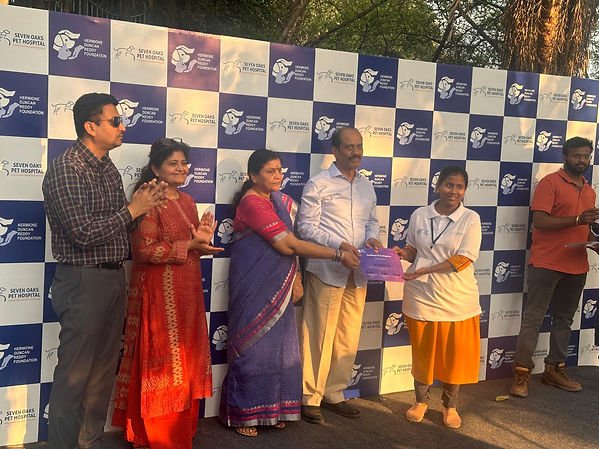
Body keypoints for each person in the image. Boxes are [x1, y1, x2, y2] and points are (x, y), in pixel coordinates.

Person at [42, 93, 166, 449]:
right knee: (74, 377)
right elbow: (81, 234)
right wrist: (132, 210)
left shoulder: (107, 167)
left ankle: (89, 442)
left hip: (113, 276)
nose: (122, 126)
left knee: (101, 375)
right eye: (115, 121)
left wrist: (142, 207)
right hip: (83, 279)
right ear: (90, 126)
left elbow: (119, 226)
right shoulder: (67, 168)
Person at [219, 149, 360, 437]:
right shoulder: (252, 203)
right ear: (253, 175)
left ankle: (270, 411)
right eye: (270, 171)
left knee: (279, 351)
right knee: (252, 348)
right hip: (255, 286)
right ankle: (241, 415)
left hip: (280, 285)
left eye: (280, 170)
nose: (278, 175)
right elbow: (288, 245)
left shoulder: (280, 201)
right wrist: (337, 254)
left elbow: (297, 241)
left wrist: (296, 276)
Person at [112, 138, 222, 449]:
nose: (181, 168)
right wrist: (189, 246)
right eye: (173, 163)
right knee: (163, 361)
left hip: (188, 292)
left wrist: (201, 243)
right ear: (155, 168)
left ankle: (180, 430)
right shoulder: (148, 200)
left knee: (185, 361)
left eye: (184, 163)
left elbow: (190, 246)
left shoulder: (187, 200)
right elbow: (143, 251)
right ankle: (157, 435)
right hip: (158, 295)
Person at [297, 127, 382, 424]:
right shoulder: (318, 183)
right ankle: (310, 396)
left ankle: (334, 392)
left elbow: (372, 222)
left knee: (348, 334)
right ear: (335, 151)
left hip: (358, 272)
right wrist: (340, 245)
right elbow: (305, 227)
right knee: (318, 334)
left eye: (359, 146)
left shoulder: (366, 185)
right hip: (326, 269)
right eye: (349, 147)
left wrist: (372, 239)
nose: (355, 152)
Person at [510, 136, 599, 398]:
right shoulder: (549, 183)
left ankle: (554, 370)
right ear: (565, 157)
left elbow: (584, 229)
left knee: (564, 320)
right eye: (576, 155)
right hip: (546, 262)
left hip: (577, 265)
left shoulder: (590, 190)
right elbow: (540, 221)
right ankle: (521, 374)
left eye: (586, 156)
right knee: (533, 319)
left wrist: (594, 242)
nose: (582, 160)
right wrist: (577, 219)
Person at [394, 165, 481, 429]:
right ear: (438, 186)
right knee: (422, 353)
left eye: (459, 187)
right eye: (448, 185)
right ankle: (421, 401)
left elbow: (463, 259)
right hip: (421, 296)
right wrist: (402, 253)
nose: (453, 191)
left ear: (465, 190)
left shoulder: (471, 218)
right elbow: (413, 249)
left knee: (453, 357)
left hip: (457, 299)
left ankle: (450, 406)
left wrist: (425, 269)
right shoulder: (420, 215)